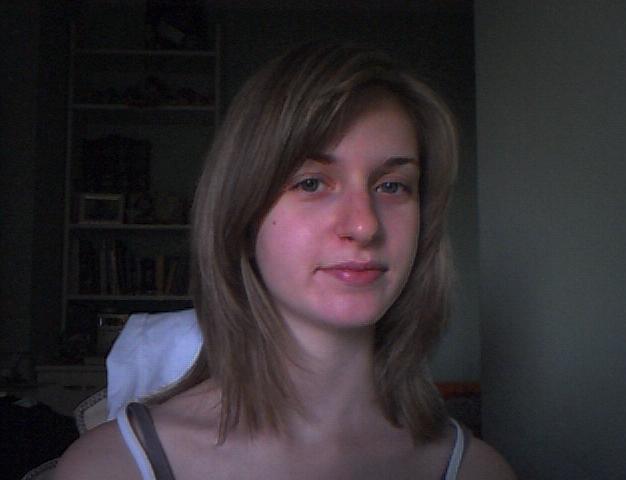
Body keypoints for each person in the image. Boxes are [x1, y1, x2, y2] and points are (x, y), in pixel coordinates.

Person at [54, 43, 516, 479]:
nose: (364, 225)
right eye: (311, 183)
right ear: (243, 213)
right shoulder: (110, 467)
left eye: (392, 186)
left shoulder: (475, 470)